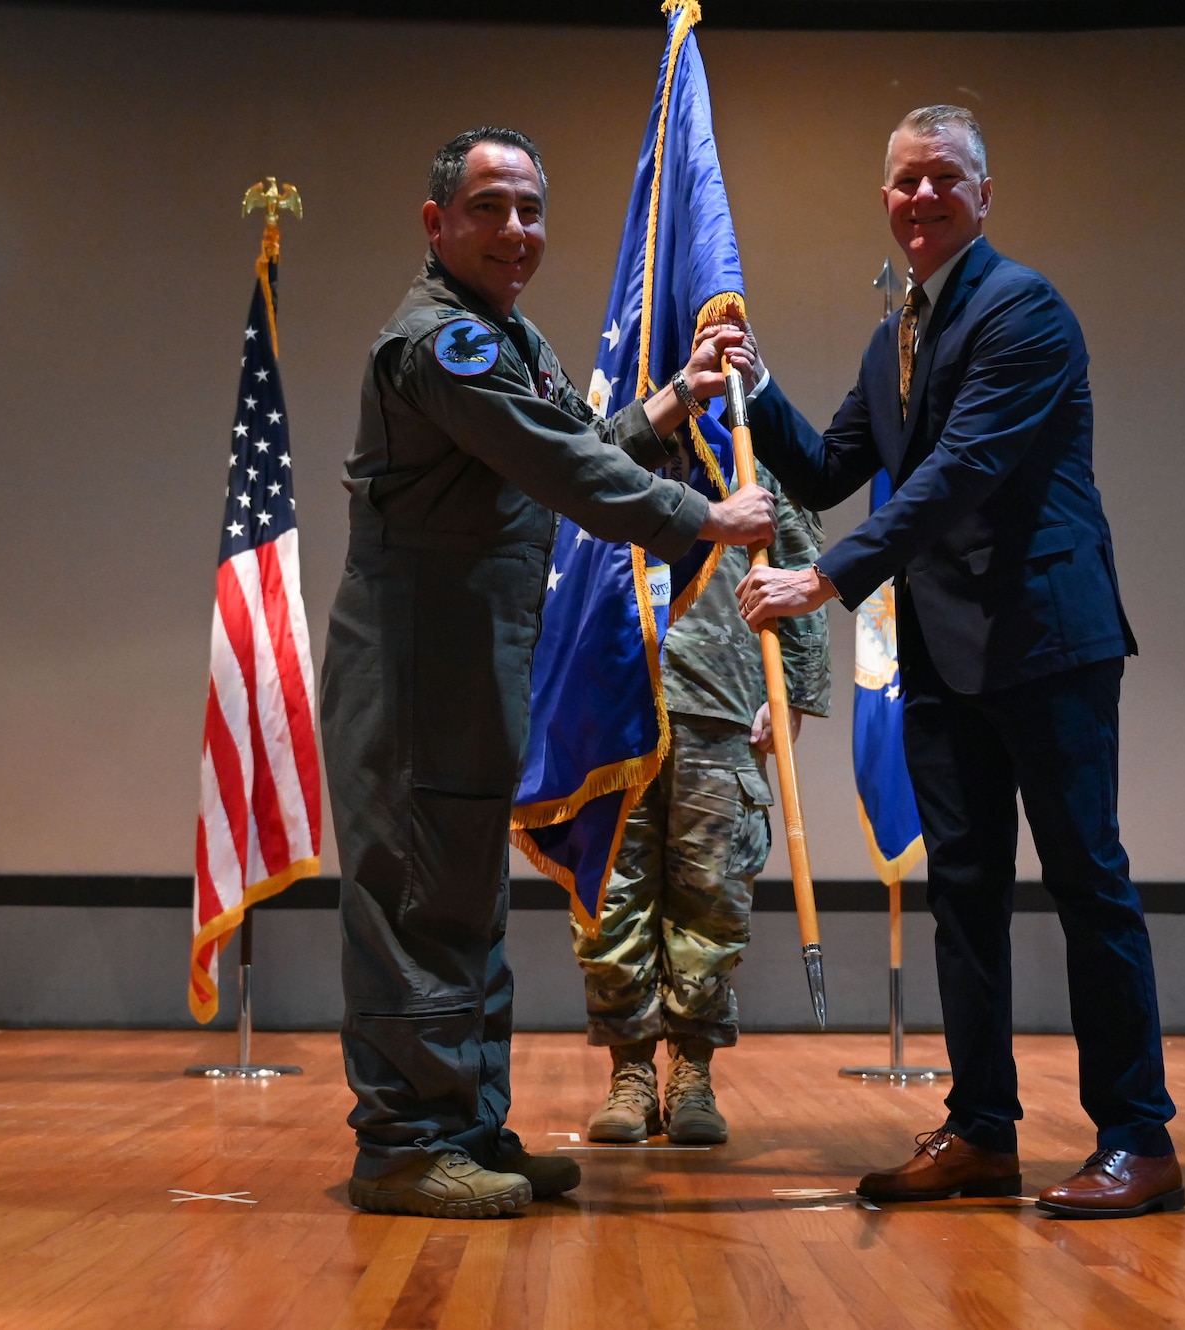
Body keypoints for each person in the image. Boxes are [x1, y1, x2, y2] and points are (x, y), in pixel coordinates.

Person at [728, 105, 1184, 1218]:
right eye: (902, 182)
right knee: (963, 895)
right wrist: (749, 378)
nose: (920, 198)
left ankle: (1137, 1139)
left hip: (1046, 645)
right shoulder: (894, 337)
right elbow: (829, 464)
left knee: (1087, 886)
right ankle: (980, 1129)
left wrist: (821, 580)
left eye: (942, 178)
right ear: (883, 200)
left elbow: (962, 469)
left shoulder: (1023, 308)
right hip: (941, 655)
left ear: (983, 195)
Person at [319, 126, 776, 1220]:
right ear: (437, 224)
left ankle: (467, 1127)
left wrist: (672, 399)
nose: (514, 229)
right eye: (488, 207)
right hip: (416, 676)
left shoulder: (502, 339)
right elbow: (560, 465)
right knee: (419, 905)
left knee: (465, 908)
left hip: (469, 674)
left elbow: (573, 440)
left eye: (528, 207)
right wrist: (702, 515)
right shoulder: (440, 344)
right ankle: (401, 1144)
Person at [576, 469, 829, 1146]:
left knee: (712, 904)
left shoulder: (747, 456)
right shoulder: (613, 445)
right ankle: (629, 1072)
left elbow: (803, 565)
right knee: (611, 899)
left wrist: (795, 693)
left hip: (723, 706)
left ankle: (692, 1070)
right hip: (613, 709)